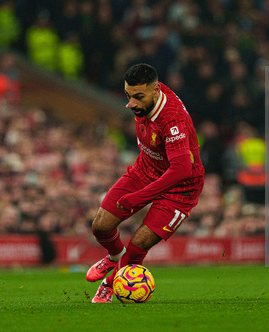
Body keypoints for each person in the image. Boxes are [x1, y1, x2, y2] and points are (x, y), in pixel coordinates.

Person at [87, 63, 205, 303]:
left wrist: (140, 197)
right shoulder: (144, 98)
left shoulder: (172, 119)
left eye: (138, 97)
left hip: (181, 187)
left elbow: (182, 169)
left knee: (139, 243)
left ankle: (110, 284)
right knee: (100, 226)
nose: (131, 103)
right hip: (146, 169)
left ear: (157, 91)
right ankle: (114, 255)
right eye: (128, 95)